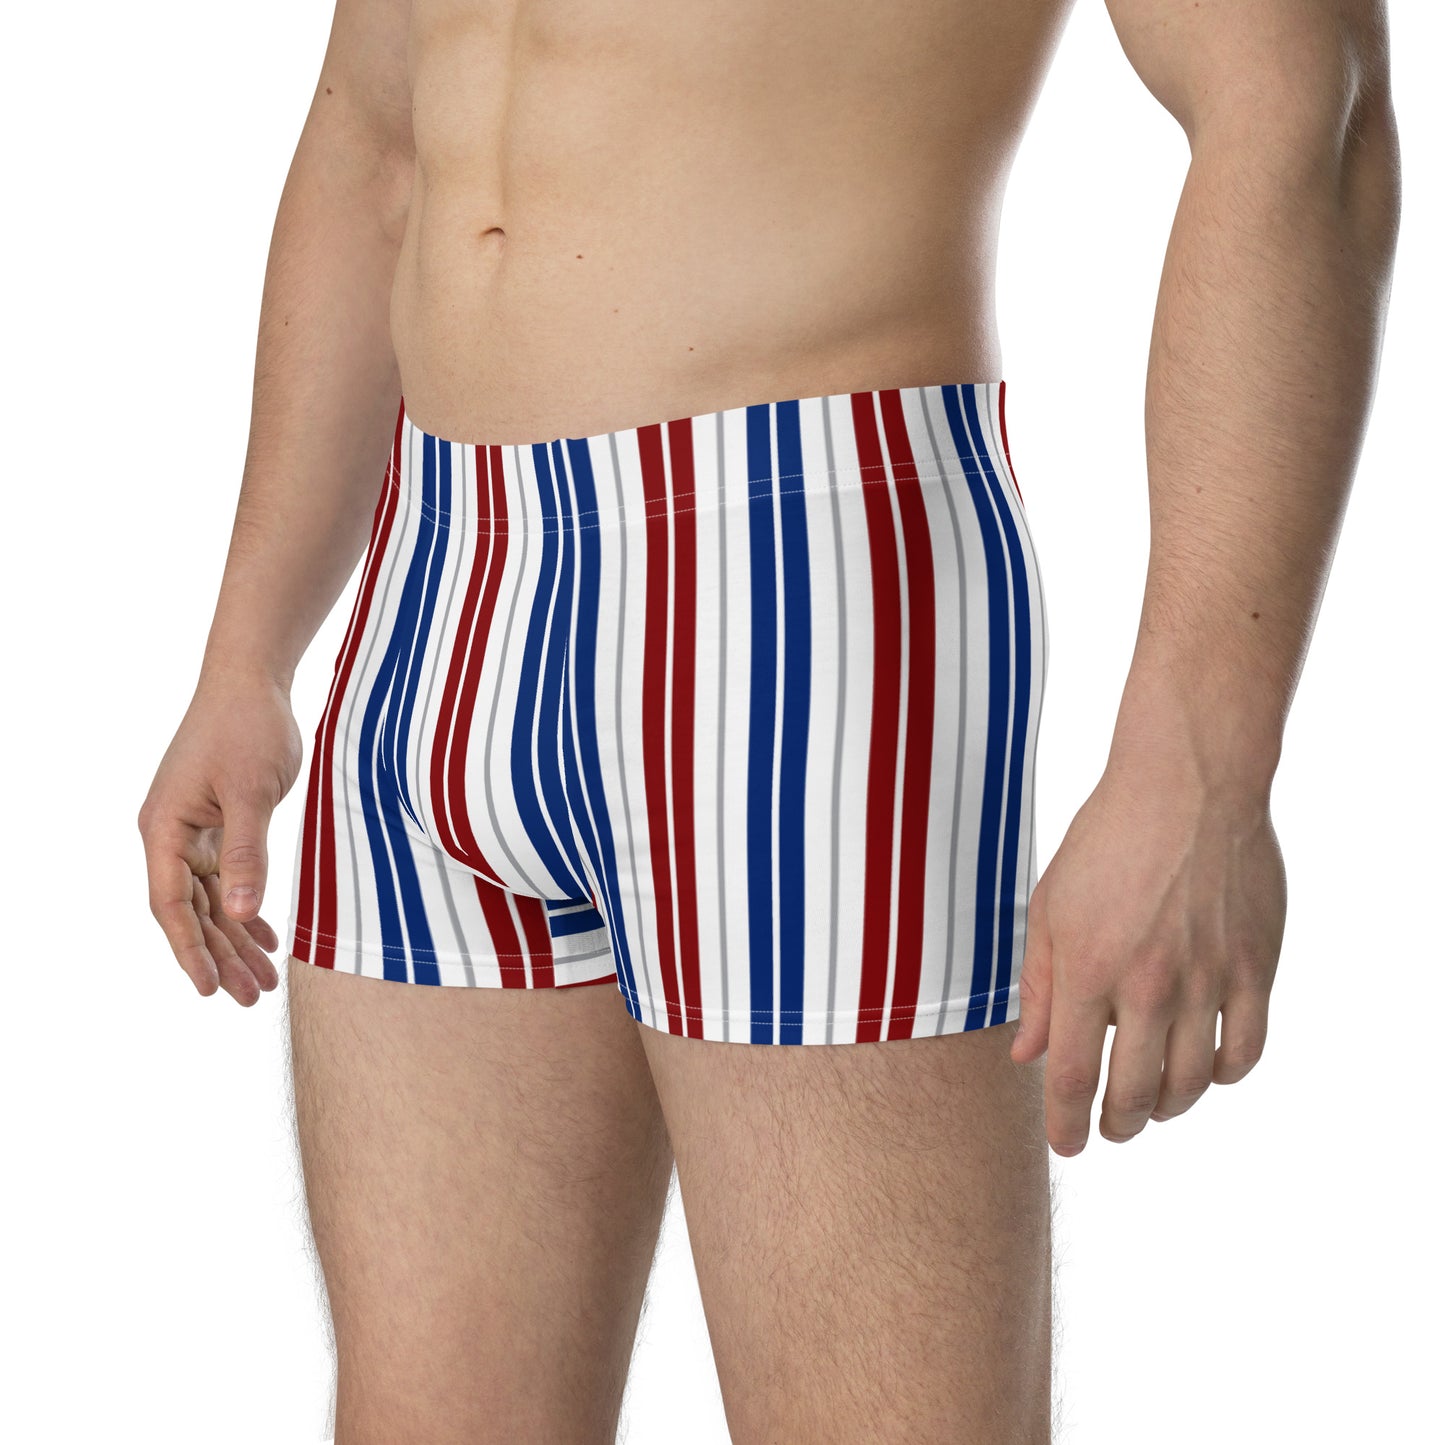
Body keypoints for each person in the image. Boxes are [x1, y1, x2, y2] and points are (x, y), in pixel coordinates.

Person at [137, 0, 1401, 1439]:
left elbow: (1300, 104)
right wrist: (249, 650)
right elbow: (377, 139)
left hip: (795, 560)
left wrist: (1202, 757)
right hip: (437, 577)